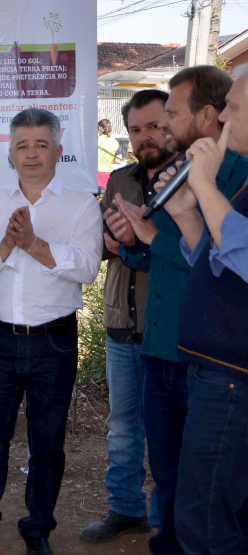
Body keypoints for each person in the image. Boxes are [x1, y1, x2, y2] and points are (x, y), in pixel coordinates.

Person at [0, 108, 102, 555]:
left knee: (46, 444)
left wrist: (35, 244)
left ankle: (38, 529)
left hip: (54, 340)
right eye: (23, 146)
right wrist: (9, 243)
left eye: (41, 145)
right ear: (10, 154)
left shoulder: (82, 203)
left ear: (58, 151)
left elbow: (88, 268)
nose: (32, 154)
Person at [104, 65, 248, 554]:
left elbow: (226, 259)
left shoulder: (232, 173)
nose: (161, 127)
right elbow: (183, 251)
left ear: (207, 116)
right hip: (166, 341)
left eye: (169, 115)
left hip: (221, 366)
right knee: (173, 476)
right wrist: (136, 236)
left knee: (210, 501)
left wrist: (154, 231)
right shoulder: (179, 170)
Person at [154, 62, 248, 554]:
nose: (224, 115)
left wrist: (207, 186)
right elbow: (219, 262)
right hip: (216, 372)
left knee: (206, 516)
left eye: (233, 107)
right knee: (208, 508)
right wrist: (188, 210)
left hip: (234, 378)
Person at [79, 90, 176, 544]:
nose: (145, 137)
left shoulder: (189, 180)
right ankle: (126, 508)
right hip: (122, 323)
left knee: (165, 430)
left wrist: (140, 242)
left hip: (172, 332)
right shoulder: (118, 180)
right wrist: (111, 243)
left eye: (155, 126)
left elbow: (187, 255)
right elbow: (96, 246)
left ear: (172, 122)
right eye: (136, 130)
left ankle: (164, 518)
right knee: (122, 425)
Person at [98, 118, 121, 191]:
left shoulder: (96, 141)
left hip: (97, 173)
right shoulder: (115, 142)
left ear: (99, 128)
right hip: (109, 174)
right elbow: (118, 160)